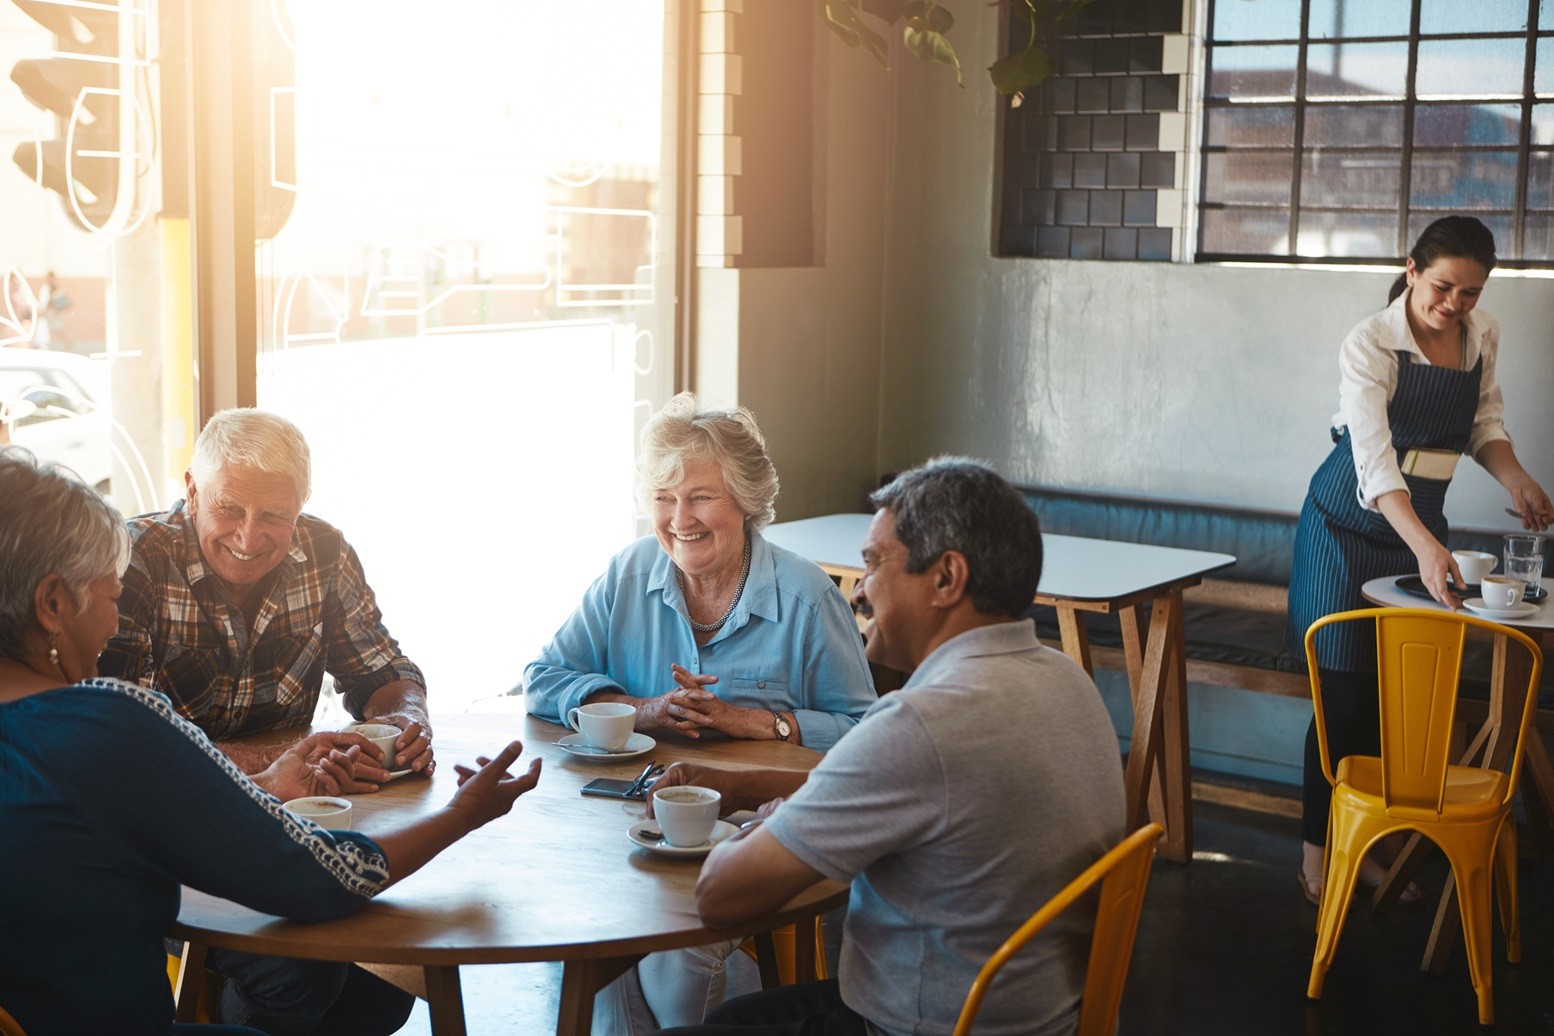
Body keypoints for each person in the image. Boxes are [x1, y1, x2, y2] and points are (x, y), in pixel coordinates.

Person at [0, 446, 543, 1036]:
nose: (111, 624)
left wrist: (262, 784)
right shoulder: (104, 721)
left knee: (374, 990)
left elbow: (95, 811)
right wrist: (465, 812)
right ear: (54, 604)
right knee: (318, 975)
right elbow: (316, 879)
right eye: (108, 596)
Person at [650, 457, 1127, 1036]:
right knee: (736, 1018)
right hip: (1034, 1017)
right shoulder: (1066, 681)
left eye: (873, 564)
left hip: (920, 1026)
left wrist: (773, 821)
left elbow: (722, 897)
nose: (860, 592)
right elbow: (913, 787)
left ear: (947, 578)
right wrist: (749, 786)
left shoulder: (921, 723)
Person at [523, 392, 876, 1032]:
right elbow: (543, 678)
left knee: (676, 960)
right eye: (663, 498)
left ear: (744, 500)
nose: (678, 518)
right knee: (594, 945)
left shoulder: (806, 597)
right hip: (633, 835)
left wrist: (763, 723)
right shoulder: (630, 574)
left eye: (700, 497)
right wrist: (639, 709)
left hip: (763, 838)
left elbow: (869, 741)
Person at [96, 407, 437, 1033]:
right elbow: (127, 750)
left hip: (293, 820)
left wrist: (404, 722)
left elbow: (382, 670)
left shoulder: (325, 550)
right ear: (192, 490)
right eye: (229, 509)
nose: (250, 537)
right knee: (300, 973)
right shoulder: (131, 561)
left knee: (387, 983)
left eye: (274, 516)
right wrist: (284, 758)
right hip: (158, 836)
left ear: (299, 509)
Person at [1286, 216, 1554, 907]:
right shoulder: (1371, 342)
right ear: (1411, 270)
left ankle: (1369, 851)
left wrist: (1518, 479)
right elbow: (1374, 464)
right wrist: (1427, 546)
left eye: (1470, 292)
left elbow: (1482, 427)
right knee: (1343, 700)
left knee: (1396, 700)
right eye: (1443, 287)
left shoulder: (1481, 334)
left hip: (1419, 529)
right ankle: (1318, 862)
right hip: (1346, 527)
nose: (1454, 305)